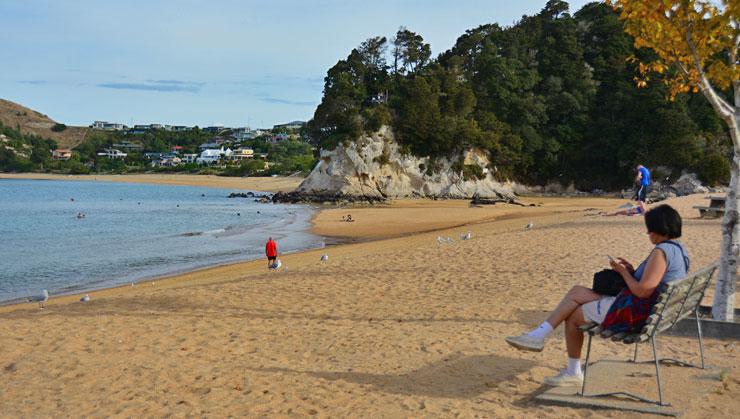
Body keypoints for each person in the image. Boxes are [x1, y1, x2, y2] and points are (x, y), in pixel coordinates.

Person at [505, 204, 689, 387]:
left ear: (657, 230)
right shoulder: (678, 250)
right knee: (577, 292)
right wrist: (633, 271)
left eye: (649, 231)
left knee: (575, 316)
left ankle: (567, 365)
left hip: (635, 313)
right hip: (650, 310)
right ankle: (538, 336)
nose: (648, 234)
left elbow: (643, 291)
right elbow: (651, 282)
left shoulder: (661, 251)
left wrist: (623, 273)